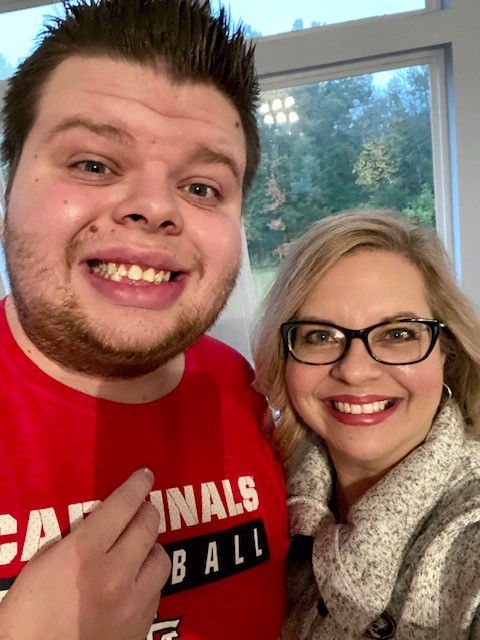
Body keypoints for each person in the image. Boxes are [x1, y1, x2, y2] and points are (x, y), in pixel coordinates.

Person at [0, 1, 289, 638]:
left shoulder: (243, 390)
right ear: (10, 184)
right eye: (93, 164)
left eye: (202, 187)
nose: (156, 207)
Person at [252, 209, 480, 639]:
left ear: (445, 351)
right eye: (320, 336)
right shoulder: (262, 490)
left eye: (398, 334)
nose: (355, 371)